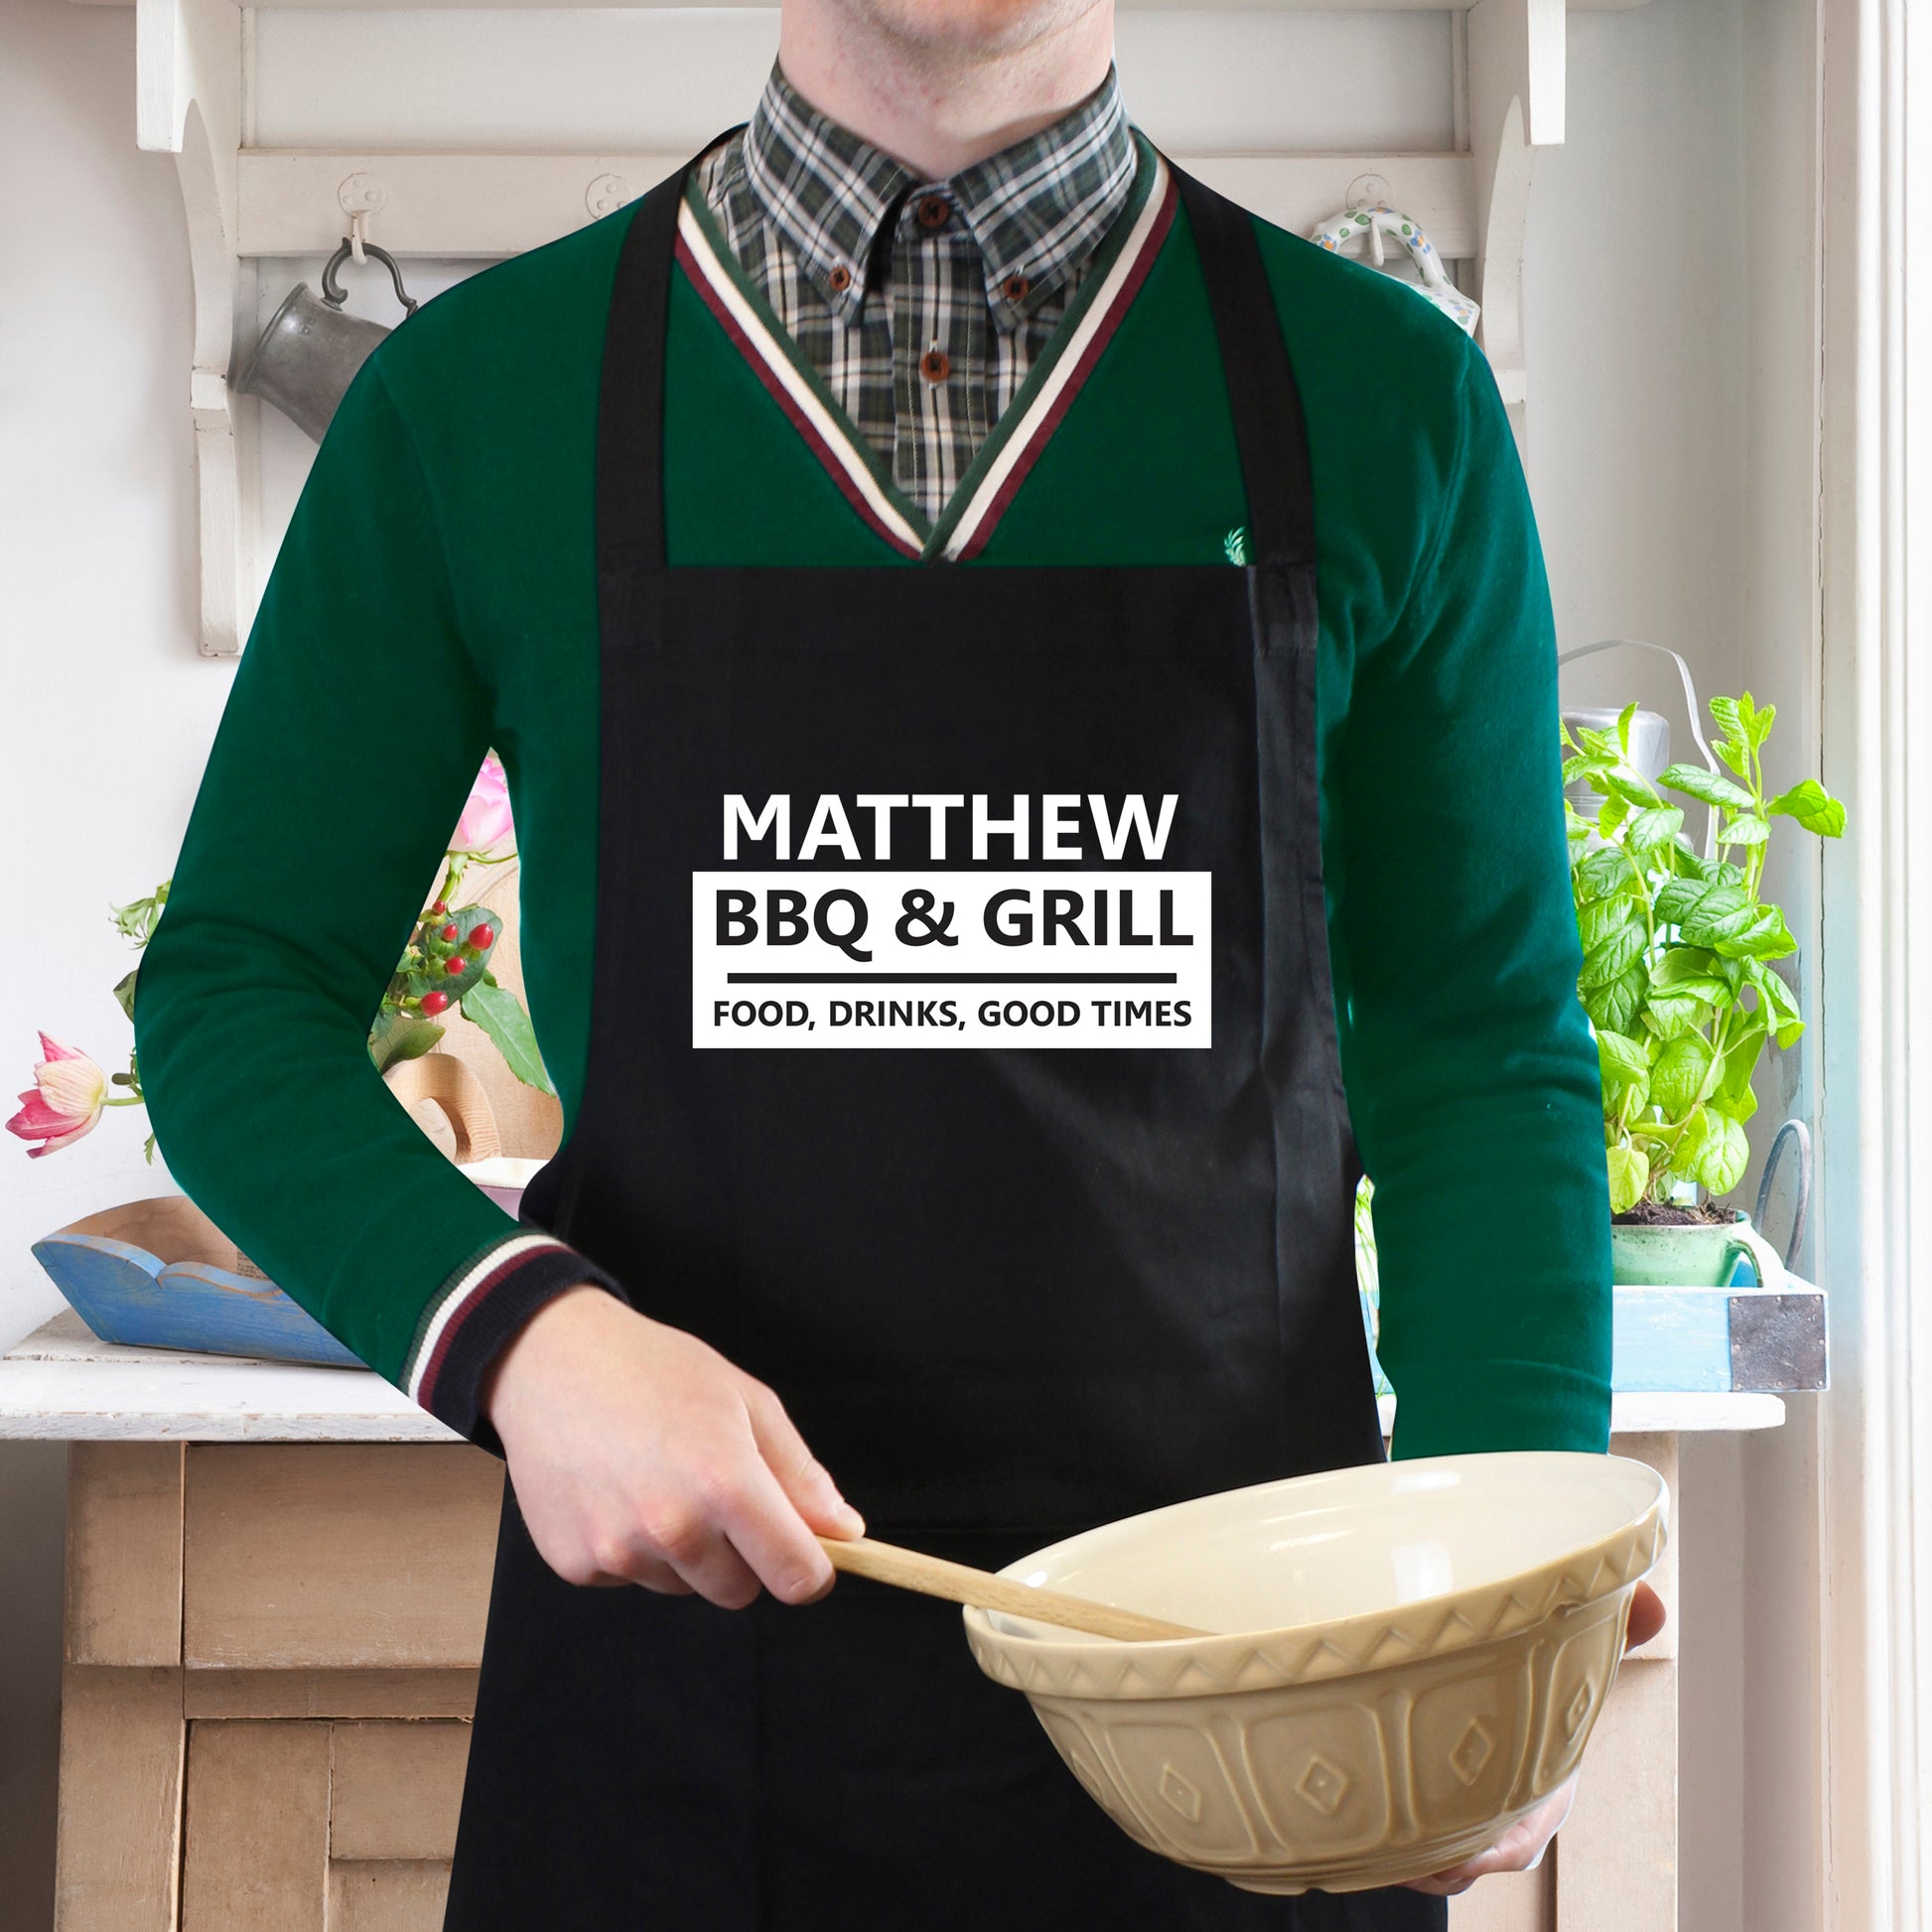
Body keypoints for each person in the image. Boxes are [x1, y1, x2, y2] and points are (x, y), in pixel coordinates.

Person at [133, 0, 1664, 1916]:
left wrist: (1501, 1564)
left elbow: (1480, 1051)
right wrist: (528, 1335)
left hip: (1265, 1736)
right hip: (674, 1747)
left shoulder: (1386, 403)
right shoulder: (473, 401)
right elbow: (229, 996)